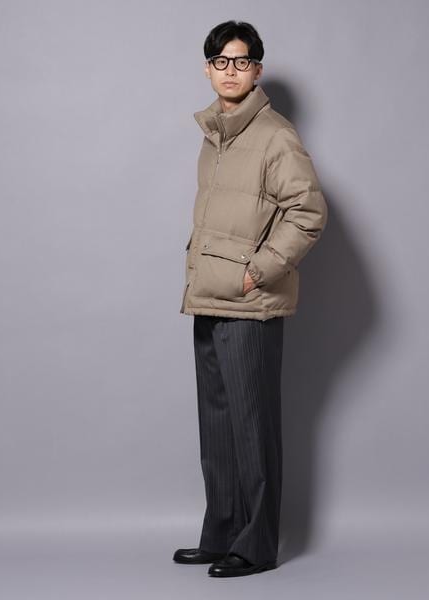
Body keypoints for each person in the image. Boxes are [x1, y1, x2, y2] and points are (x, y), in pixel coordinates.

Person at [174, 20, 328, 577]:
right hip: (208, 297)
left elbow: (308, 213)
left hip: (249, 303)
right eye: (220, 61)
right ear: (207, 69)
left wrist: (256, 272)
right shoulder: (214, 135)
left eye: (241, 62)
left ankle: (257, 545)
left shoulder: (275, 135)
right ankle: (221, 533)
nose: (230, 71)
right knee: (217, 425)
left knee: (251, 426)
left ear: (257, 70)